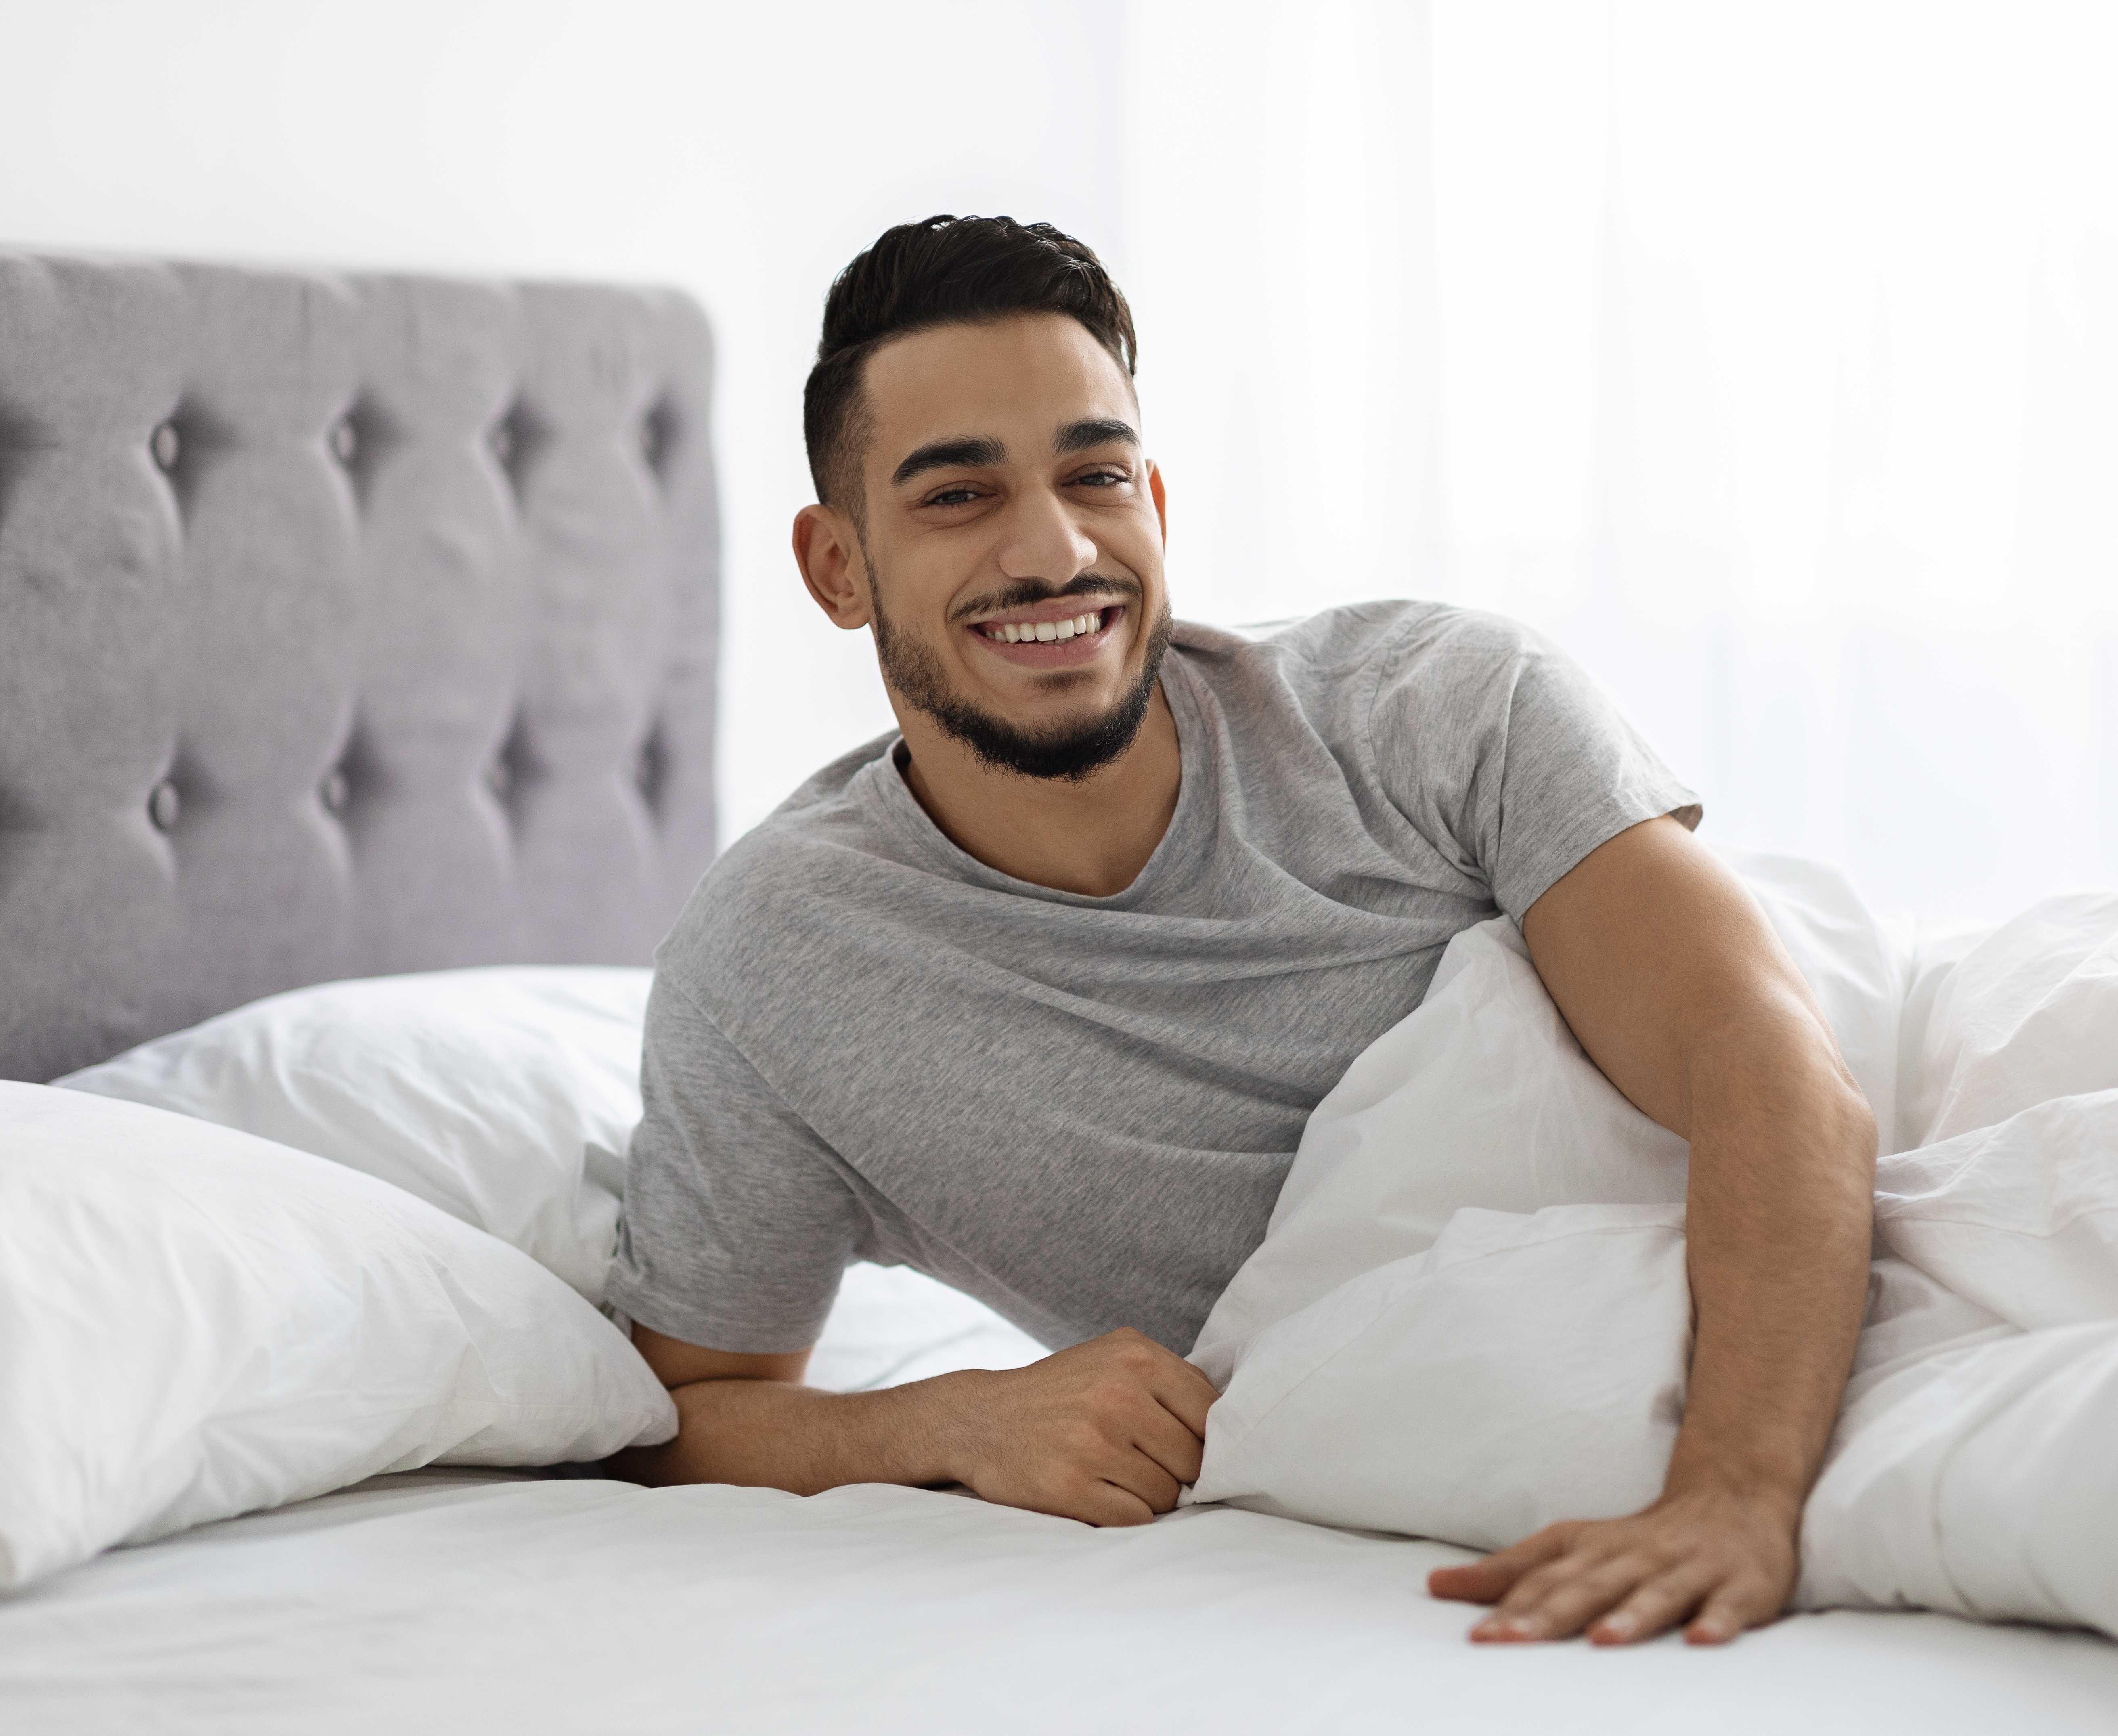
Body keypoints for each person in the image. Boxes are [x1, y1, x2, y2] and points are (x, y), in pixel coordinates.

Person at [608, 215, 1875, 1648]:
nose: (1055, 548)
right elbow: (673, 1417)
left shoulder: (1435, 703)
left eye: (1094, 475)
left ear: (1153, 496)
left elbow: (1766, 1067)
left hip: (1829, 1237)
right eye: (957, 495)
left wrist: (1733, 1493)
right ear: (837, 567)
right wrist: (949, 1419)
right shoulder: (776, 969)